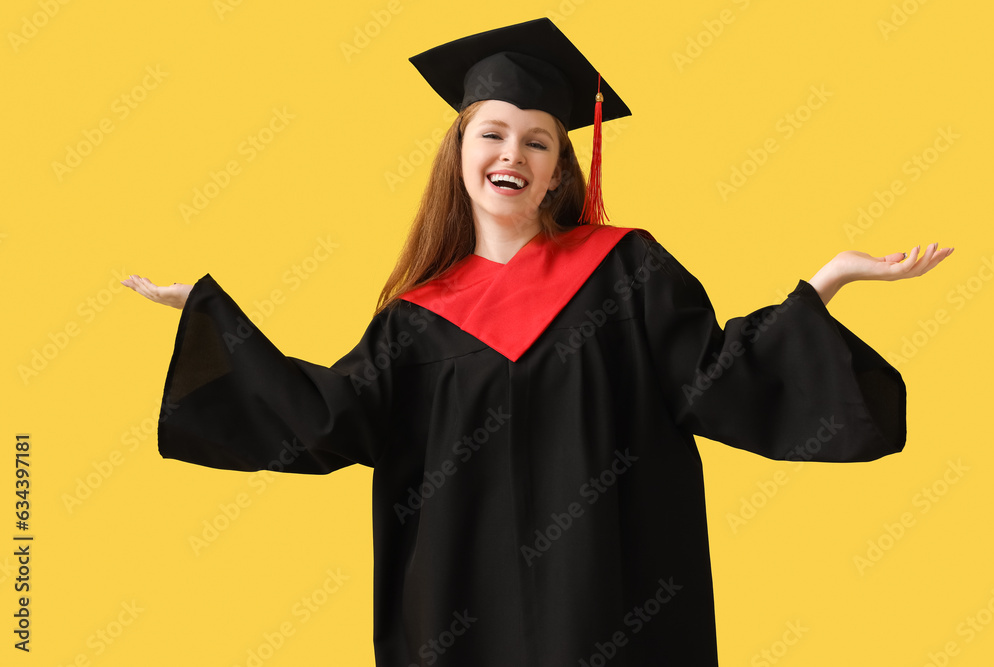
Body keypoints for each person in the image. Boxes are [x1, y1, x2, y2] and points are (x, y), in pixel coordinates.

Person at [123, 18, 952, 667]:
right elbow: (324, 416)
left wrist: (826, 282)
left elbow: (717, 376)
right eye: (491, 132)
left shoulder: (626, 272)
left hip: (612, 609)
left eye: (537, 139)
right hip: (460, 622)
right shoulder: (417, 319)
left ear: (561, 167)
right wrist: (210, 320)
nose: (511, 153)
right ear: (459, 154)